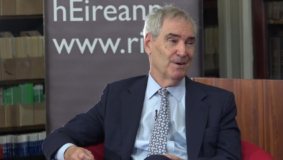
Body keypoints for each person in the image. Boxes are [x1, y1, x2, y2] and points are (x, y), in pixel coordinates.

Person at [42, 4, 241, 160]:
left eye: (189, 42)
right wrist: (69, 152)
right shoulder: (117, 96)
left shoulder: (218, 102)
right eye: (173, 41)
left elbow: (230, 157)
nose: (183, 51)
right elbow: (58, 136)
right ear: (148, 44)